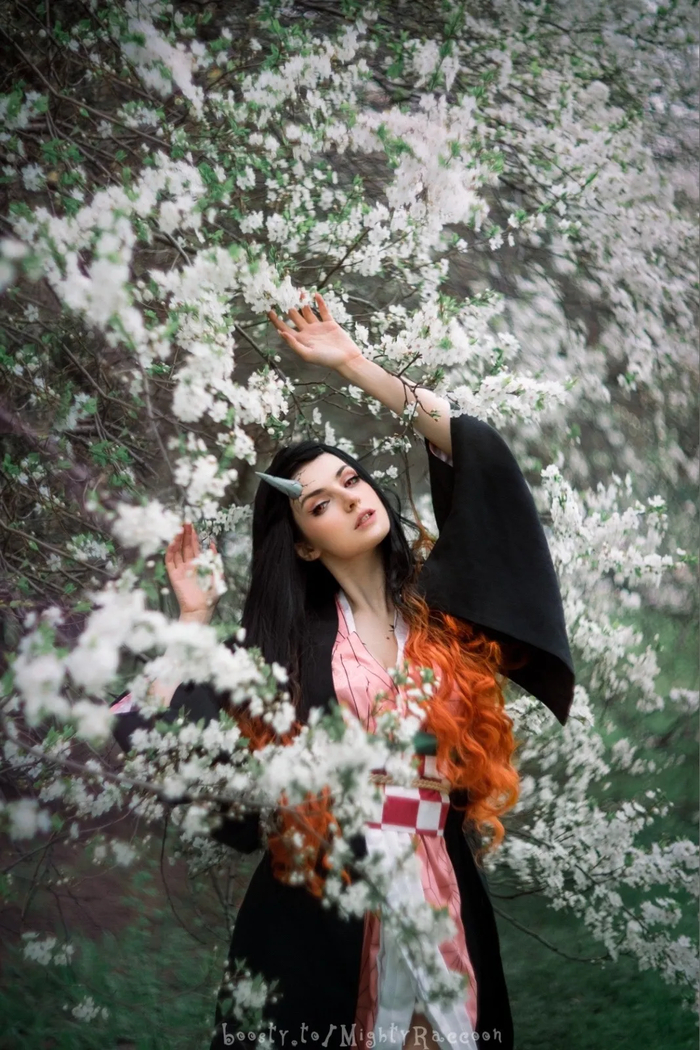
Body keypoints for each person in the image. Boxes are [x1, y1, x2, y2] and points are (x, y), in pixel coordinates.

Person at [110, 294, 575, 1050]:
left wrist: (354, 364)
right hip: (318, 904)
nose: (351, 499)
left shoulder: (445, 614)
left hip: (441, 887)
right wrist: (193, 619)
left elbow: (481, 459)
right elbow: (151, 728)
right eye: (321, 503)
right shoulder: (282, 647)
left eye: (351, 480)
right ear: (302, 543)